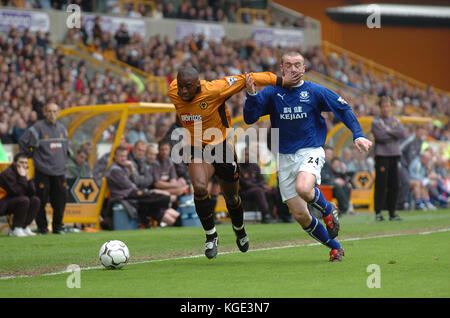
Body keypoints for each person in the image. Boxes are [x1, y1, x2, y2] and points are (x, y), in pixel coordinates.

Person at [244, 51, 372, 262]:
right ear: (281, 68)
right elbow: (249, 118)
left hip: (310, 150)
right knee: (301, 216)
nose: (293, 69)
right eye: (289, 65)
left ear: (304, 68)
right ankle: (335, 247)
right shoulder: (271, 92)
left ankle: (329, 208)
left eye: (297, 65)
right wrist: (251, 96)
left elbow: (343, 108)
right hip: (284, 157)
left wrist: (358, 134)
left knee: (304, 188)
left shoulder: (314, 91)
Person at [168, 66, 299, 259]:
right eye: (181, 86)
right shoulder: (173, 90)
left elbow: (250, 77)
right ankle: (211, 235)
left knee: (232, 198)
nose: (184, 91)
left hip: (221, 146)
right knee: (200, 188)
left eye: (188, 86)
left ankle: (240, 229)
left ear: (197, 84)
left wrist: (282, 81)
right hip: (196, 146)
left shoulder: (215, 89)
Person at [19, 103, 69, 234]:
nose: (52, 114)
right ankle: (42, 227)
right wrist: (31, 155)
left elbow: (66, 149)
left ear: (58, 113)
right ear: (45, 112)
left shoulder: (63, 129)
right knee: (40, 201)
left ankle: (58, 227)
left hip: (59, 172)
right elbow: (23, 142)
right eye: (49, 111)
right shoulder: (37, 128)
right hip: (43, 171)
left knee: (60, 201)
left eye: (55, 111)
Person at [106, 146, 180, 228]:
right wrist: (146, 190)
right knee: (157, 197)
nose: (123, 159)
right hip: (125, 196)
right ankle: (169, 201)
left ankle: (178, 221)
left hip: (133, 194)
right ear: (115, 157)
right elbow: (131, 185)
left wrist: (132, 168)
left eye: (125, 156)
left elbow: (138, 181)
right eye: (121, 156)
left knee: (153, 204)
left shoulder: (125, 167)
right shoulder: (115, 170)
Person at [371, 96, 405, 221]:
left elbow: (401, 133)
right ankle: (378, 212)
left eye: (388, 106)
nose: (386, 108)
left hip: (395, 155)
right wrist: (392, 133)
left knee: (394, 184)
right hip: (382, 156)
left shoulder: (396, 121)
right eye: (384, 106)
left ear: (391, 107)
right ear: (380, 107)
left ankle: (392, 212)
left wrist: (387, 131)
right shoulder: (376, 121)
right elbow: (379, 136)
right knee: (381, 184)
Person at [0, 152, 40, 236]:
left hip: (15, 201)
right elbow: (17, 192)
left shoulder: (25, 173)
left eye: (25, 163)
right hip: (3, 202)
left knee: (35, 200)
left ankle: (24, 227)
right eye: (21, 162)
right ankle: (16, 229)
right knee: (23, 200)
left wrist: (28, 180)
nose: (24, 165)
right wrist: (22, 177)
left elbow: (32, 193)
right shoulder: (7, 174)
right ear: (15, 163)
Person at [239, 149, 276, 223]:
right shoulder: (239, 167)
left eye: (247, 155)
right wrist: (261, 187)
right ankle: (265, 215)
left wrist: (265, 186)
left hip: (258, 189)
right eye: (244, 155)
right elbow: (244, 183)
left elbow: (261, 179)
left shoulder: (254, 166)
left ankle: (279, 215)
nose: (246, 156)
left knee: (274, 190)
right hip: (243, 192)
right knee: (258, 191)